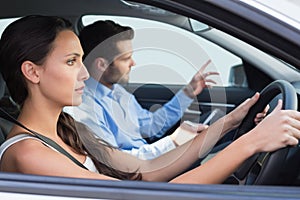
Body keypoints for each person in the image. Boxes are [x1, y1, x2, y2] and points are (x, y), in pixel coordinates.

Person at [0, 15, 299, 184]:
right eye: (71, 62)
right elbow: (140, 195)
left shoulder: (66, 128)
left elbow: (145, 171)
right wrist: (252, 143)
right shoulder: (28, 155)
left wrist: (230, 124)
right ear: (32, 72)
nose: (85, 74)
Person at [64, 20, 265, 160]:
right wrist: (174, 142)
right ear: (101, 65)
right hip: (138, 175)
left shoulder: (117, 92)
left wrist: (188, 93)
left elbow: (150, 126)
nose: (134, 63)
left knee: (224, 147)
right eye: (126, 58)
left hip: (149, 162)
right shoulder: (84, 107)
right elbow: (118, 163)